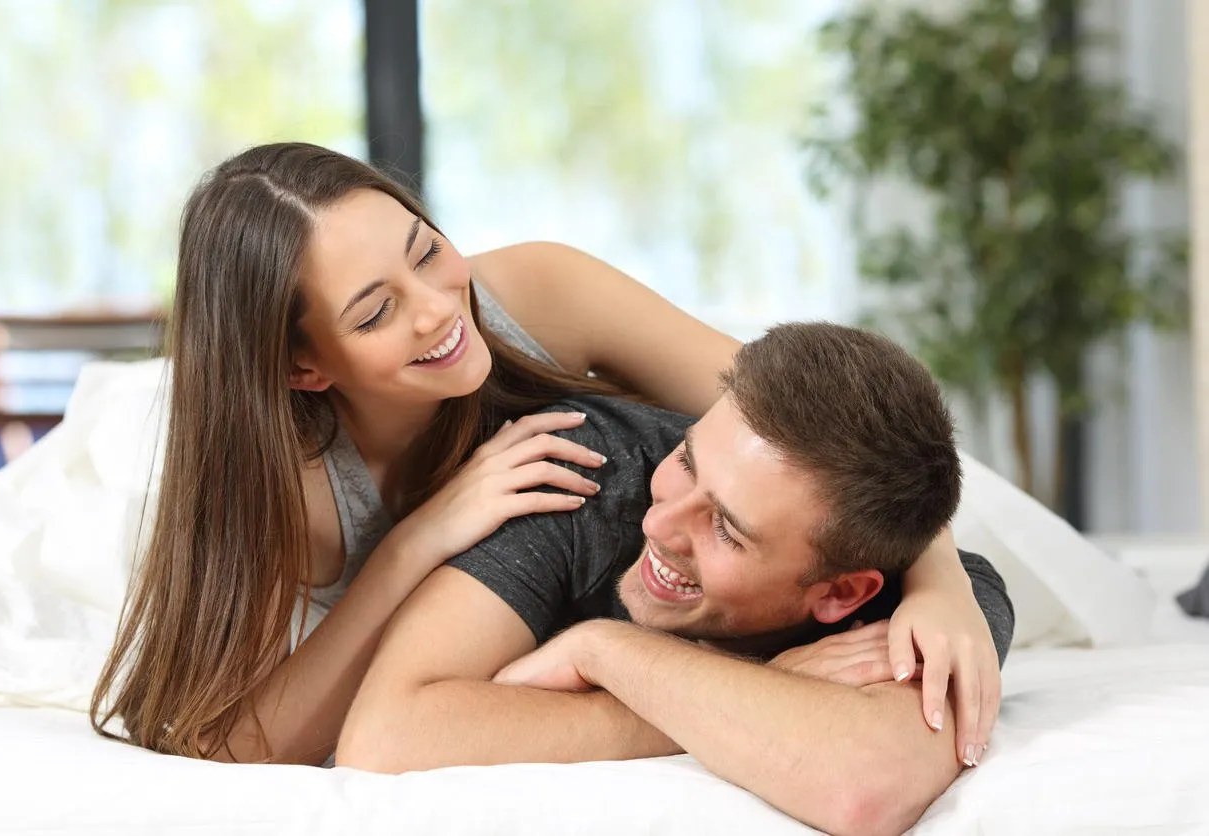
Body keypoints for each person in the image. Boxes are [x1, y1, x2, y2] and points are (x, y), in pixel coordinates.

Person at [90, 142, 1001, 770]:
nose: (439, 310)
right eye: (375, 312)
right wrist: (420, 538)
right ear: (303, 366)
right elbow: (236, 746)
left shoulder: (538, 292)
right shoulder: (289, 486)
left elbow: (830, 435)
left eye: (426, 252)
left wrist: (940, 587)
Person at [335, 322, 1013, 836]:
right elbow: (386, 736)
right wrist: (761, 687)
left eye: (727, 529)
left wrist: (604, 651)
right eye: (686, 462)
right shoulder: (576, 475)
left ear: (841, 593)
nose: (660, 524)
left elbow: (865, 788)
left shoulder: (934, 613)